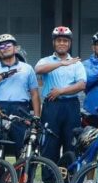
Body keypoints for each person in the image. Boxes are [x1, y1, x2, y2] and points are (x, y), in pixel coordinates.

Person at [0, 33, 40, 157]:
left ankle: (20, 176)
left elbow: (34, 94)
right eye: (1, 47)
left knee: (21, 147)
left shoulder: (27, 68)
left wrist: (37, 117)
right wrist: (3, 75)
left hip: (20, 109)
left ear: (15, 48)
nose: (5, 48)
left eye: (8, 45)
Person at [35, 26, 86, 164]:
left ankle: (70, 181)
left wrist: (61, 91)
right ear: (54, 42)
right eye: (59, 40)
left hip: (71, 106)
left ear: (69, 43)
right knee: (49, 145)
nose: (62, 43)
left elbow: (81, 85)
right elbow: (38, 69)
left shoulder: (76, 63)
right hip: (51, 106)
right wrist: (61, 63)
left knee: (72, 144)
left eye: (65, 40)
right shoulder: (45, 60)